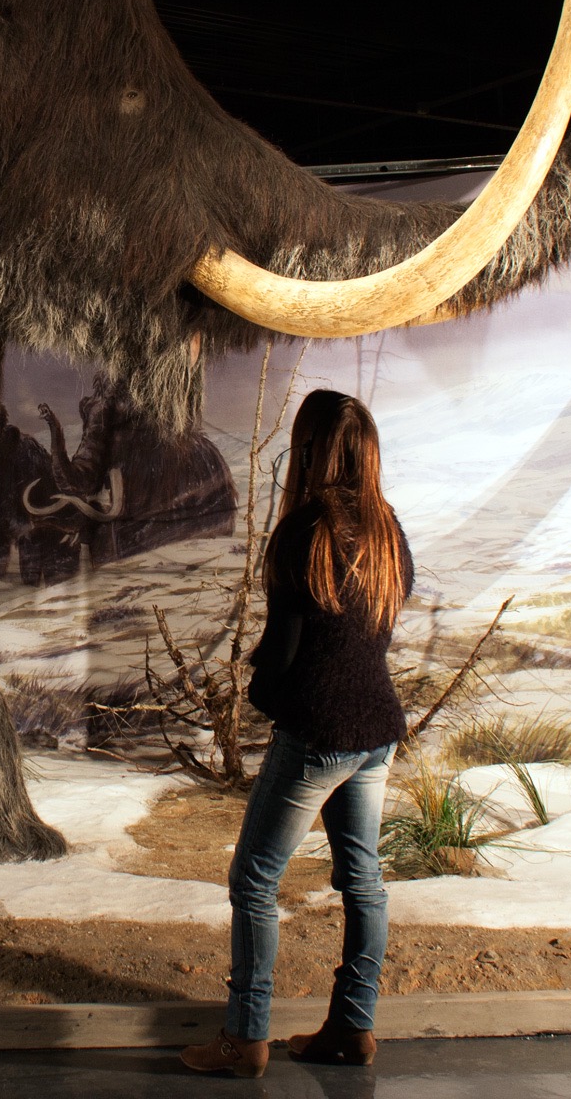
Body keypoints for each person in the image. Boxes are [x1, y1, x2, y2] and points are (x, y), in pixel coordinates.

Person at [180, 389, 412, 1077]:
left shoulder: (303, 530)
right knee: (363, 880)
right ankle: (352, 1027)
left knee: (254, 879)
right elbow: (376, 634)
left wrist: (263, 697)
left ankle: (244, 1039)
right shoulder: (387, 526)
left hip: (319, 731)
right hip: (377, 728)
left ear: (307, 450)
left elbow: (281, 651)